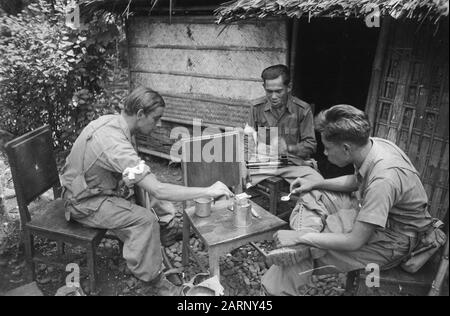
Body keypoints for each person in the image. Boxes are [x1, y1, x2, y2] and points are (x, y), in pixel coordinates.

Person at [60, 86, 233, 295]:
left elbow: (142, 180)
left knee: (146, 183)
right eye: (156, 118)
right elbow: (159, 190)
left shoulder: (115, 123)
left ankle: (165, 229)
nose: (158, 124)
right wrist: (207, 191)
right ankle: (155, 282)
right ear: (140, 114)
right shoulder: (114, 143)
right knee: (144, 219)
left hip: (97, 188)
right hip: (83, 202)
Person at [261, 104, 444, 296]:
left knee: (299, 260)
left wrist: (298, 237)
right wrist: (314, 185)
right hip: (370, 211)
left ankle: (282, 275)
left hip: (393, 239)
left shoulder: (384, 180)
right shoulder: (372, 145)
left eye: (328, 148)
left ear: (346, 148)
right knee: (312, 192)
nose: (324, 153)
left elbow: (354, 241)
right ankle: (306, 240)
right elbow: (356, 181)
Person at [248, 64, 317, 185]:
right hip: (263, 163)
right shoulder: (256, 107)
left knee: (316, 182)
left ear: (289, 87)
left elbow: (311, 145)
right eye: (269, 91)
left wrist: (289, 148)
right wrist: (244, 163)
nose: (273, 97)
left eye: (279, 91)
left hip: (293, 163)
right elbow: (247, 140)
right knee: (234, 176)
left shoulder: (302, 109)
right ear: (264, 87)